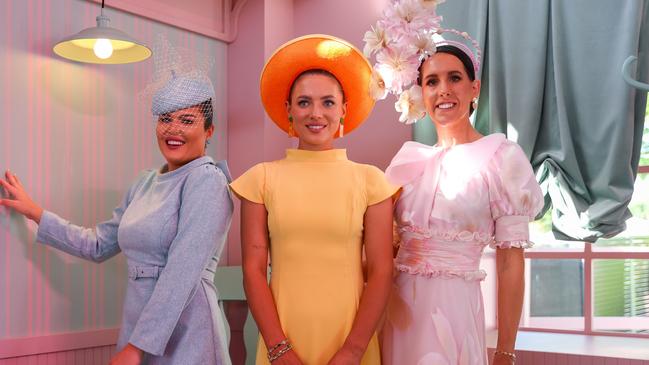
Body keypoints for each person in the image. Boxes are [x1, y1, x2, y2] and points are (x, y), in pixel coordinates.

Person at [0, 56, 233, 364]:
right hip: (139, 326)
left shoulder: (207, 180)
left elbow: (182, 274)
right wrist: (35, 212)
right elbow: (98, 245)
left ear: (210, 130)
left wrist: (137, 348)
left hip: (188, 330)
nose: (172, 129)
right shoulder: (144, 183)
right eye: (165, 119)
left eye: (187, 120)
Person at [363, 2, 544, 364]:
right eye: (432, 81)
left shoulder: (502, 157)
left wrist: (506, 350)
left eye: (454, 78)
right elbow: (380, 249)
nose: (443, 90)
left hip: (456, 313)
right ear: (421, 94)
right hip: (397, 315)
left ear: (474, 88)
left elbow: (511, 264)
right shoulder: (407, 160)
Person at [229, 34, 397, 365]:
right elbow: (253, 269)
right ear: (288, 111)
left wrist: (353, 350)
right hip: (283, 343)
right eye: (304, 102)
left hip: (351, 342)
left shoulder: (371, 181)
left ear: (343, 111)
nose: (315, 113)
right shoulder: (261, 179)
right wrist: (279, 349)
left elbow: (381, 271)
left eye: (327, 102)